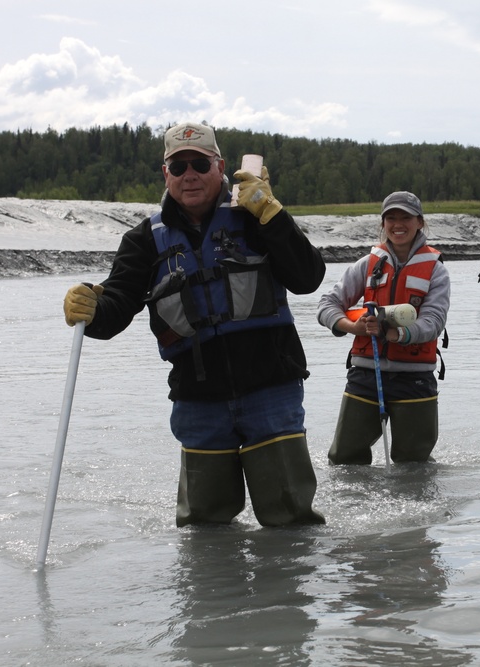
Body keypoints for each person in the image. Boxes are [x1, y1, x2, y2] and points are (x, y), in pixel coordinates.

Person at [62, 121, 325, 527]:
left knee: (290, 520)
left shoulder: (257, 215)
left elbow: (308, 278)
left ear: (220, 167)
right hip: (198, 401)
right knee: (205, 530)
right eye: (178, 166)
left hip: (271, 391)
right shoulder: (144, 240)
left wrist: (275, 217)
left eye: (199, 164)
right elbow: (117, 305)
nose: (190, 175)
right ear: (165, 174)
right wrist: (92, 310)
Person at [317, 191, 450, 464]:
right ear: (383, 223)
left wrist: (396, 334)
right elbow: (326, 305)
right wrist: (353, 328)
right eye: (391, 218)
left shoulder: (436, 270)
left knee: (414, 466)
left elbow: (433, 322)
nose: (397, 224)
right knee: (343, 459)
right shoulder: (367, 264)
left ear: (419, 222)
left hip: (415, 381)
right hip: (365, 375)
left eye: (406, 217)